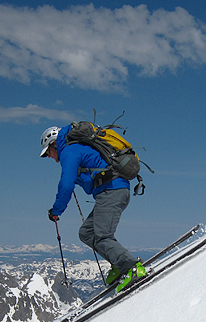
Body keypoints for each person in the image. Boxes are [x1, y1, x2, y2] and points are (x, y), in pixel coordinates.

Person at [40, 124, 146, 291]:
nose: (50, 157)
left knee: (102, 235)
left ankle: (132, 268)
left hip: (112, 190)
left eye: (48, 153)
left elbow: (66, 186)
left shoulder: (69, 151)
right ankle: (119, 265)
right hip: (111, 191)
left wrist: (56, 211)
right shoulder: (74, 149)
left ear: (54, 144)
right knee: (86, 232)